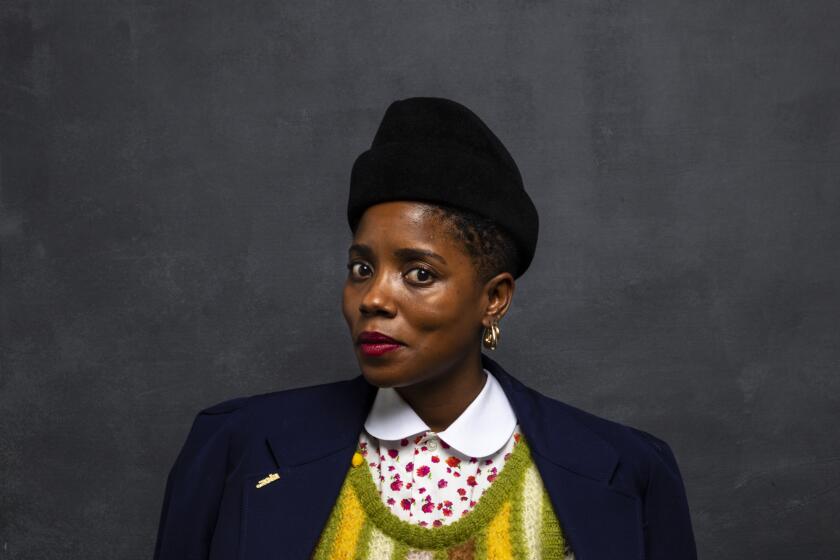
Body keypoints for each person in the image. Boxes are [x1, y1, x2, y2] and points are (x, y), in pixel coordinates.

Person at [153, 97, 697, 559]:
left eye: (419, 274)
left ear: (494, 298)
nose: (374, 298)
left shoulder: (626, 472)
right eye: (361, 269)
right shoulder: (237, 446)